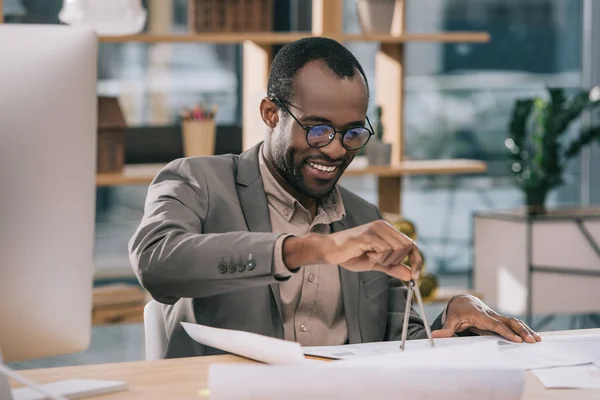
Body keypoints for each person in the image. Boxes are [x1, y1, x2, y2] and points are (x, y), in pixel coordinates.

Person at [129, 37, 541, 358]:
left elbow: (401, 341)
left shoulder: (363, 218)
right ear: (271, 114)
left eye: (352, 133)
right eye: (317, 129)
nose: (335, 149)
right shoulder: (197, 181)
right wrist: (315, 248)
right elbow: (157, 263)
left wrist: (455, 318)